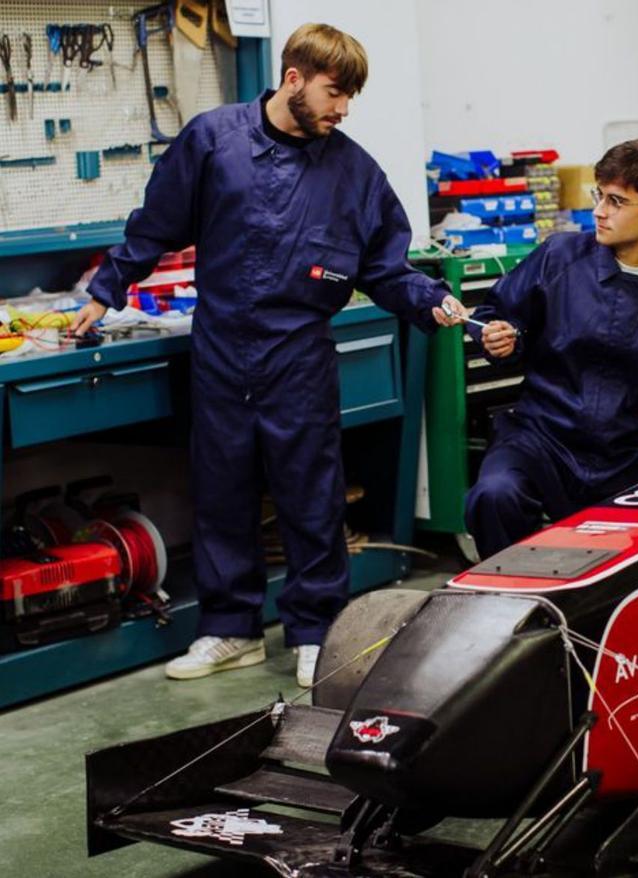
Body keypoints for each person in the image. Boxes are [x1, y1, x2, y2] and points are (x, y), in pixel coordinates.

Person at [73, 24, 465, 687]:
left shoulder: (353, 172)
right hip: (222, 345)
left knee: (310, 496)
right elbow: (157, 223)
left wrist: (431, 300)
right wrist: (106, 290)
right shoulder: (213, 141)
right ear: (293, 79)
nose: (343, 109)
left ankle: (315, 630)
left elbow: (386, 265)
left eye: (350, 97)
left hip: (299, 352)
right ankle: (231, 630)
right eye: (335, 92)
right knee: (221, 490)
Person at [463, 139, 638, 558]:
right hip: (535, 439)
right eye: (599, 195)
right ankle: (508, 612)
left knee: (625, 566)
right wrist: (497, 335)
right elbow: (495, 311)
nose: (599, 211)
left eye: (616, 201)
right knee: (494, 496)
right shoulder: (558, 258)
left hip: (616, 460)